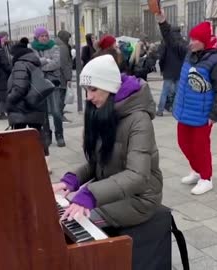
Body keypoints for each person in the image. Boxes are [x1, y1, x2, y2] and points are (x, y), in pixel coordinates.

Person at [52, 54, 163, 228]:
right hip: (113, 192)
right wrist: (71, 181)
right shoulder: (102, 110)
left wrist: (90, 194)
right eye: (86, 90)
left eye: (93, 89)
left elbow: (137, 176)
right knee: (66, 216)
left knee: (74, 224)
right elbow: (99, 162)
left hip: (139, 199)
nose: (88, 97)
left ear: (110, 87)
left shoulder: (139, 119)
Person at [156, 10, 217, 195]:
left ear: (203, 41)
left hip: (202, 114)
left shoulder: (215, 62)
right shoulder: (189, 53)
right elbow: (172, 40)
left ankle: (206, 178)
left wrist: (215, 115)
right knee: (183, 143)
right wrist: (163, 22)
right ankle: (196, 170)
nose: (191, 42)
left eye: (195, 39)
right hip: (184, 110)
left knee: (200, 146)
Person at [7, 38, 53, 166]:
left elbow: (19, 88)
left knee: (19, 135)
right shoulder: (34, 62)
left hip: (22, 107)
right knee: (38, 134)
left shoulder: (20, 64)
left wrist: (9, 101)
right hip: (36, 104)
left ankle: (21, 163)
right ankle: (45, 163)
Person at [31, 26, 65, 147]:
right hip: (40, 84)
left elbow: (56, 63)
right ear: (37, 37)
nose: (44, 38)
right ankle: (47, 135)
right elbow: (34, 63)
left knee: (56, 111)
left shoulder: (54, 47)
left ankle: (59, 135)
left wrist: (42, 62)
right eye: (42, 36)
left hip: (53, 82)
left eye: (46, 35)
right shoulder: (32, 48)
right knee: (43, 112)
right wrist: (46, 60)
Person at [156, 26, 186, 116]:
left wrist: (162, 69)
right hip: (180, 71)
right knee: (178, 92)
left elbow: (162, 58)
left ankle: (160, 110)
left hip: (168, 70)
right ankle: (174, 110)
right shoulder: (183, 43)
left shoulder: (167, 43)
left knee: (165, 91)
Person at [56, 30, 73, 123]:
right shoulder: (62, 47)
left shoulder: (57, 44)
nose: (69, 40)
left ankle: (59, 113)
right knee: (62, 96)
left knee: (60, 95)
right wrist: (68, 78)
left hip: (57, 75)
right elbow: (64, 64)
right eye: (68, 38)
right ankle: (59, 115)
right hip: (61, 76)